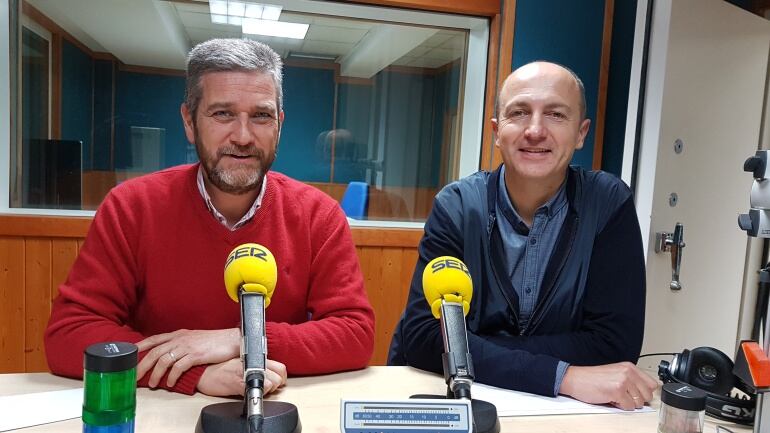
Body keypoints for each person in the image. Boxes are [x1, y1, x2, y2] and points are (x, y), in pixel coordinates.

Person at [44, 38, 375, 397]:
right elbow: (70, 333)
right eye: (223, 114)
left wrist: (242, 339)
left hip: (273, 405)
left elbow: (354, 333)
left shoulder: (318, 215)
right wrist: (195, 373)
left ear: (278, 124)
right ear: (189, 122)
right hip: (163, 412)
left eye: (261, 116)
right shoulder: (131, 206)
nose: (244, 136)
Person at [388, 61, 657, 410]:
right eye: (519, 112)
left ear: (581, 133)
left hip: (563, 414)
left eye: (556, 115)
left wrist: (475, 346)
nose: (535, 130)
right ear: (497, 131)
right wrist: (563, 375)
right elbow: (424, 339)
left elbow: (614, 344)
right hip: (454, 402)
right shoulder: (456, 206)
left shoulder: (607, 204)